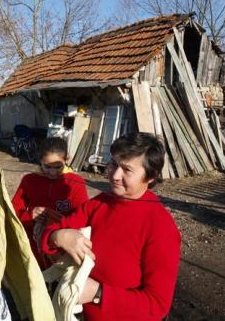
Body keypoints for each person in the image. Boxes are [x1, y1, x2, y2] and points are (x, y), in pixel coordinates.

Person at [40, 132, 181, 320]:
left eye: (127, 170)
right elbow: (49, 234)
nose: (115, 175)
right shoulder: (99, 204)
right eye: (113, 164)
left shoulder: (160, 227)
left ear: (150, 177)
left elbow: (157, 305)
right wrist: (59, 236)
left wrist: (98, 293)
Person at [12, 137, 89, 269]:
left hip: (61, 246)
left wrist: (58, 223)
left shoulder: (76, 183)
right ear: (40, 160)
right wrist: (30, 215)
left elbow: (82, 216)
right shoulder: (29, 180)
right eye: (47, 167)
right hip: (32, 243)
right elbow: (14, 209)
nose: (52, 172)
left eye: (58, 167)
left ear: (66, 159)